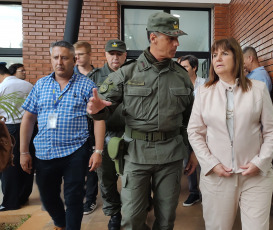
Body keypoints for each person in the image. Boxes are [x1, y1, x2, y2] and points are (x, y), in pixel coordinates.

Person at [87, 12, 195, 230]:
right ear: (153, 38)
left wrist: (191, 151)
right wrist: (97, 111)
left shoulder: (181, 76)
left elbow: (188, 120)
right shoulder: (127, 73)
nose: (177, 43)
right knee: (132, 219)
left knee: (166, 219)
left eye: (177, 38)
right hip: (136, 155)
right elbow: (103, 109)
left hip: (171, 155)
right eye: (171, 38)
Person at [187, 37, 273, 230]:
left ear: (237, 57)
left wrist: (260, 161)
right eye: (214, 55)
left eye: (224, 53)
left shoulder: (258, 89)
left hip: (255, 176)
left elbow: (272, 130)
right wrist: (211, 164)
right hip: (218, 176)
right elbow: (194, 132)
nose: (217, 58)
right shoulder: (204, 92)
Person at [19, 40, 105, 230]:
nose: (60, 62)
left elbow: (99, 118)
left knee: (74, 197)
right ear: (51, 59)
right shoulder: (41, 85)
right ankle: (61, 223)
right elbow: (28, 119)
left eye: (64, 58)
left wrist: (98, 150)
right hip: (44, 152)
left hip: (75, 151)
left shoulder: (86, 85)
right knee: (48, 196)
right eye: (56, 57)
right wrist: (24, 152)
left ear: (74, 60)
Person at [86, 39, 127, 230]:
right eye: (112, 53)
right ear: (105, 55)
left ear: (125, 55)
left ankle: (135, 209)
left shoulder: (133, 73)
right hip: (105, 133)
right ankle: (114, 213)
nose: (115, 57)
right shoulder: (95, 76)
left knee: (134, 176)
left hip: (130, 134)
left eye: (119, 54)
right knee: (107, 178)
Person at [0, 62, 34, 212]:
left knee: (9, 164)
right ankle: (23, 195)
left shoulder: (2, 87)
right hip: (31, 127)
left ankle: (10, 202)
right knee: (27, 160)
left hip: (10, 128)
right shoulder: (28, 86)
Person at [73, 41, 99, 215]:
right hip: (75, 126)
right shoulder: (69, 75)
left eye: (81, 54)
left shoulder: (99, 76)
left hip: (95, 124)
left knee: (92, 164)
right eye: (75, 54)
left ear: (90, 54)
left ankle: (90, 199)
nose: (77, 57)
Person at [178, 55, 205, 207]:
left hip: (202, 130)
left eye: (185, 67)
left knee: (202, 160)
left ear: (194, 68)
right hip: (185, 129)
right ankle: (193, 192)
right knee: (188, 161)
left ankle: (206, 192)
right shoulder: (179, 84)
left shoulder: (205, 84)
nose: (182, 70)